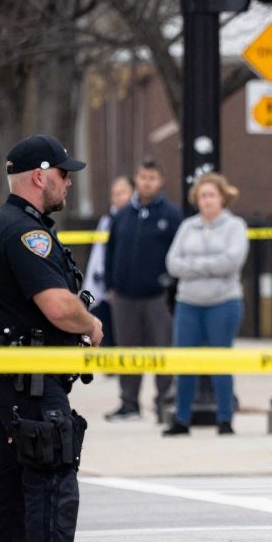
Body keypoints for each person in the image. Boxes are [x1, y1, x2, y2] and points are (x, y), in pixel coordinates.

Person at [0, 134, 122, 542]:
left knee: (9, 485)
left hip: (3, 377)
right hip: (28, 380)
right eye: (63, 173)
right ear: (40, 175)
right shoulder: (27, 233)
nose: (68, 182)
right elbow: (57, 306)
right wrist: (91, 324)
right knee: (52, 480)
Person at [162, 173, 249, 437]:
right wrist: (209, 267)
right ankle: (182, 419)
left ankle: (225, 419)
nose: (207, 200)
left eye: (212, 195)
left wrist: (194, 267)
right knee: (185, 362)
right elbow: (172, 263)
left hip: (223, 303)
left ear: (222, 197)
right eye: (202, 195)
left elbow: (232, 261)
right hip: (188, 304)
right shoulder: (188, 227)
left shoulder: (235, 226)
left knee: (220, 361)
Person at [103, 158, 182, 422]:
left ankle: (164, 402)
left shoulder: (170, 215)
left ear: (160, 182)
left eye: (152, 178)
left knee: (162, 350)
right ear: (136, 179)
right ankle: (129, 404)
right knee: (128, 351)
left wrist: (171, 287)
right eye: (143, 177)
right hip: (125, 296)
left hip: (158, 297)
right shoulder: (123, 215)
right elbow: (110, 250)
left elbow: (178, 252)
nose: (147, 182)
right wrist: (110, 284)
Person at [82, 176, 134, 349]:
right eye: (116, 194)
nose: (119, 197)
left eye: (123, 192)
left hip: (128, 286)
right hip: (105, 283)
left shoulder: (136, 219)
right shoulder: (106, 221)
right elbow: (99, 253)